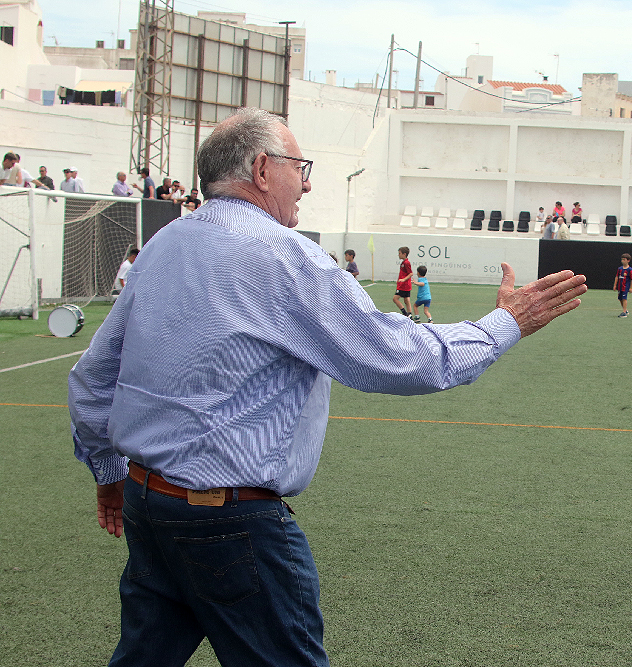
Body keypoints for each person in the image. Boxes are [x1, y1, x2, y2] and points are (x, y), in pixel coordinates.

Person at [68, 107, 587, 667]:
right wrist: (505, 323)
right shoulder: (285, 258)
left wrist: (109, 476)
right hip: (231, 522)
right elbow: (398, 358)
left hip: (149, 504)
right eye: (300, 166)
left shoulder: (164, 245)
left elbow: (93, 380)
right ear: (263, 170)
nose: (308, 181)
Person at [392, 246, 415, 318]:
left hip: (404, 285)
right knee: (406, 299)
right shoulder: (403, 263)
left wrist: (403, 280)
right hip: (404, 284)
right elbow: (403, 273)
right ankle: (410, 314)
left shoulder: (407, 263)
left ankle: (405, 313)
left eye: (399, 253)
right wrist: (399, 280)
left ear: (404, 254)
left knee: (395, 299)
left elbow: (410, 273)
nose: (398, 255)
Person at [614, 253, 632, 317]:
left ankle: (624, 312)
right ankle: (625, 310)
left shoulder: (629, 269)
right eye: (622, 259)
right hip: (620, 286)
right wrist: (615, 285)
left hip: (625, 287)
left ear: (628, 260)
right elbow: (617, 277)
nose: (622, 261)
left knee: (624, 298)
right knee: (620, 298)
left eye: (624, 259)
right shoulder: (620, 269)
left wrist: (631, 287)